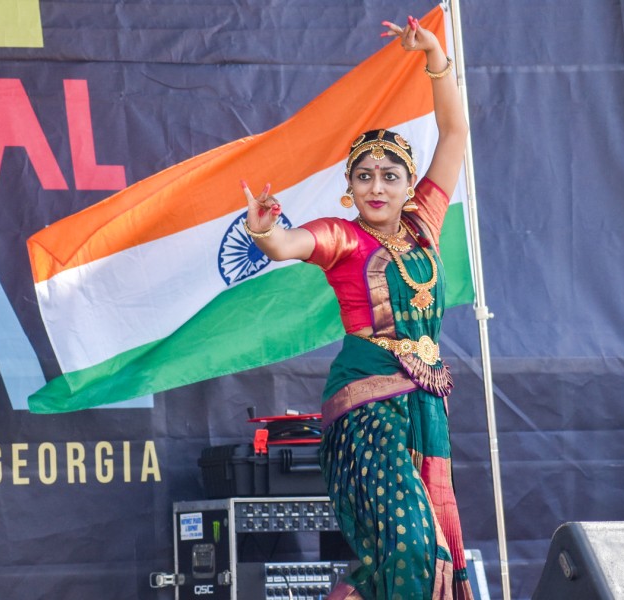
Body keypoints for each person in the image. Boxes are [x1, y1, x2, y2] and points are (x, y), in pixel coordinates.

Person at [241, 14, 473, 600]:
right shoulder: (341, 237)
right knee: (412, 546)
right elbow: (289, 244)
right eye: (364, 176)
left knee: (414, 558)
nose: (377, 186)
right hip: (367, 409)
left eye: (389, 176)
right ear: (350, 189)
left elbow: (454, 134)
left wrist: (435, 59)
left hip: (425, 405)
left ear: (407, 184)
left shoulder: (424, 223)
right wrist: (266, 233)